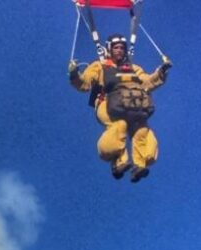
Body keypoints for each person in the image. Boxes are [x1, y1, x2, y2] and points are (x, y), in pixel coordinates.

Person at [69, 34, 172, 182]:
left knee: (141, 130)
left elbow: (147, 82)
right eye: (116, 47)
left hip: (134, 104)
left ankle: (140, 165)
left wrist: (162, 71)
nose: (119, 50)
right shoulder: (100, 66)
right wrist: (74, 74)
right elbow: (84, 83)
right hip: (109, 103)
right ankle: (119, 162)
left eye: (122, 48)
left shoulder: (133, 68)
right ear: (109, 49)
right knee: (120, 125)